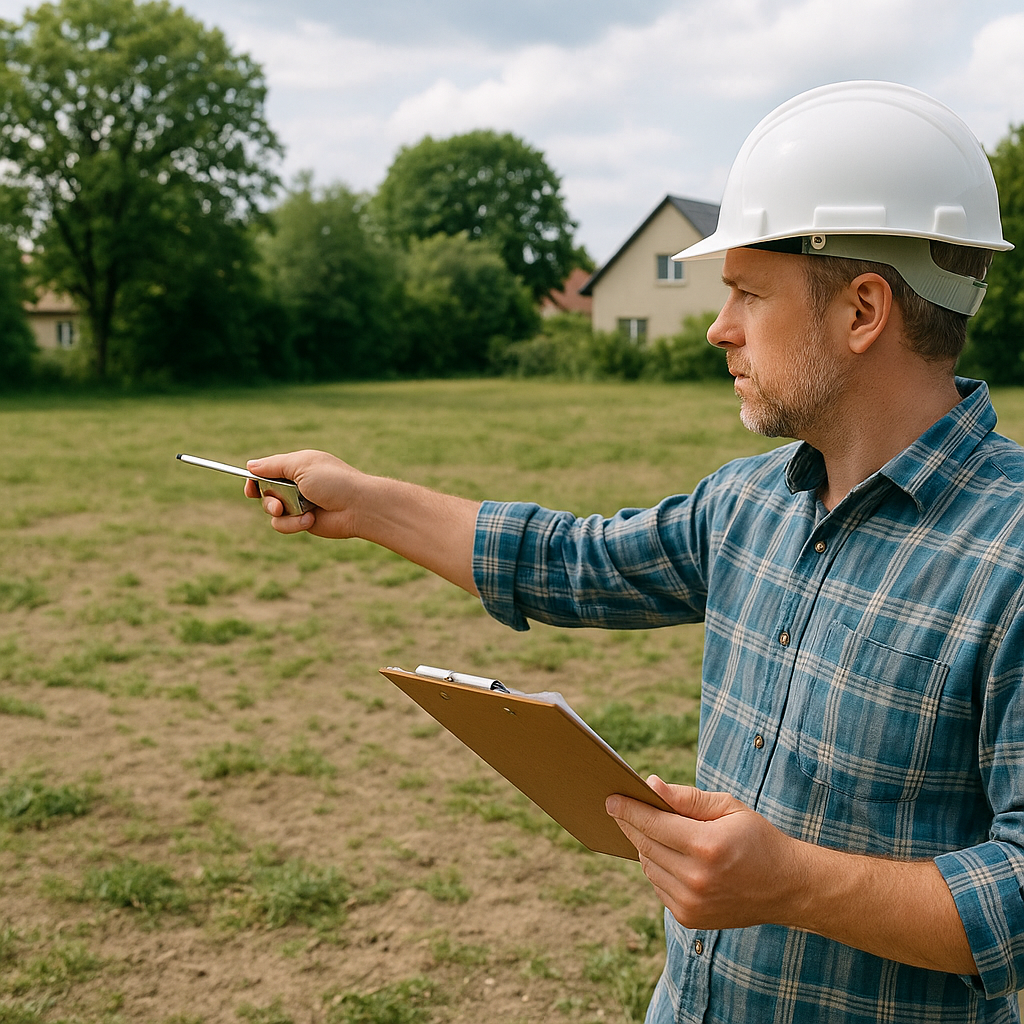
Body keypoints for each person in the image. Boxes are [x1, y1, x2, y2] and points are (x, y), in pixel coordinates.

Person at [245, 82, 1024, 1023]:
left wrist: (792, 884)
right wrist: (364, 501)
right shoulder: (747, 503)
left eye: (747, 293)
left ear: (863, 311)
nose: (718, 327)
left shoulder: (1012, 557)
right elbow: (570, 562)